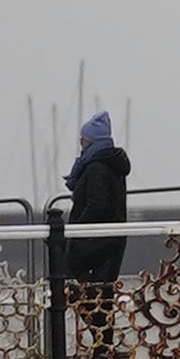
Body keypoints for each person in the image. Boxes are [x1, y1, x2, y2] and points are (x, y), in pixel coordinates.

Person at [58, 113, 128, 296]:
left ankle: (95, 322)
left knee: (73, 280)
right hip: (109, 239)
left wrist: (76, 229)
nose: (81, 141)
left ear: (91, 140)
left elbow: (97, 205)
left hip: (95, 240)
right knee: (100, 294)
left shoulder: (96, 167)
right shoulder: (111, 164)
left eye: (84, 138)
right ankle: (102, 323)